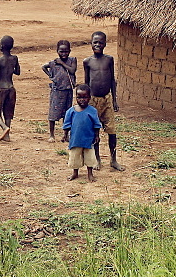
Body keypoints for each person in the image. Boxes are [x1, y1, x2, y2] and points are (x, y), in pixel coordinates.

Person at [84, 31, 125, 171]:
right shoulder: (87, 62)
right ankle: (97, 159)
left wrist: (114, 100)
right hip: (93, 101)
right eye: (95, 42)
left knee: (112, 131)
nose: (97, 45)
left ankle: (113, 160)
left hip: (107, 100)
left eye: (100, 42)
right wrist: (85, 103)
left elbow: (112, 80)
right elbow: (86, 84)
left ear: (105, 44)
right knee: (95, 131)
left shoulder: (109, 60)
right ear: (91, 43)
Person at [63, 84, 101, 182]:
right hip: (75, 139)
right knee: (75, 157)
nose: (82, 100)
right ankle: (75, 173)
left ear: (89, 98)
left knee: (89, 158)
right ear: (76, 97)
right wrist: (65, 135)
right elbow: (67, 124)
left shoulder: (92, 111)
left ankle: (90, 174)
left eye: (85, 97)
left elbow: (96, 125)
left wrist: (97, 135)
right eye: (79, 97)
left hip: (89, 139)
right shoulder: (71, 111)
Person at [42, 40, 77, 142]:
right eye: (61, 51)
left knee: (67, 114)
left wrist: (62, 63)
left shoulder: (72, 60)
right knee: (53, 113)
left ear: (70, 51)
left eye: (66, 51)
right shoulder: (53, 63)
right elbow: (44, 67)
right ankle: (52, 135)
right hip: (57, 91)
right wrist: (51, 76)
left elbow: (72, 70)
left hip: (68, 91)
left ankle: (66, 135)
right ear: (57, 51)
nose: (64, 54)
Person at [0, 35, 20, 142]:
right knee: (8, 112)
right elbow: (18, 72)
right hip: (11, 88)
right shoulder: (14, 58)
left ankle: (4, 128)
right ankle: (7, 136)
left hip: (1, 88)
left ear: (1, 46)